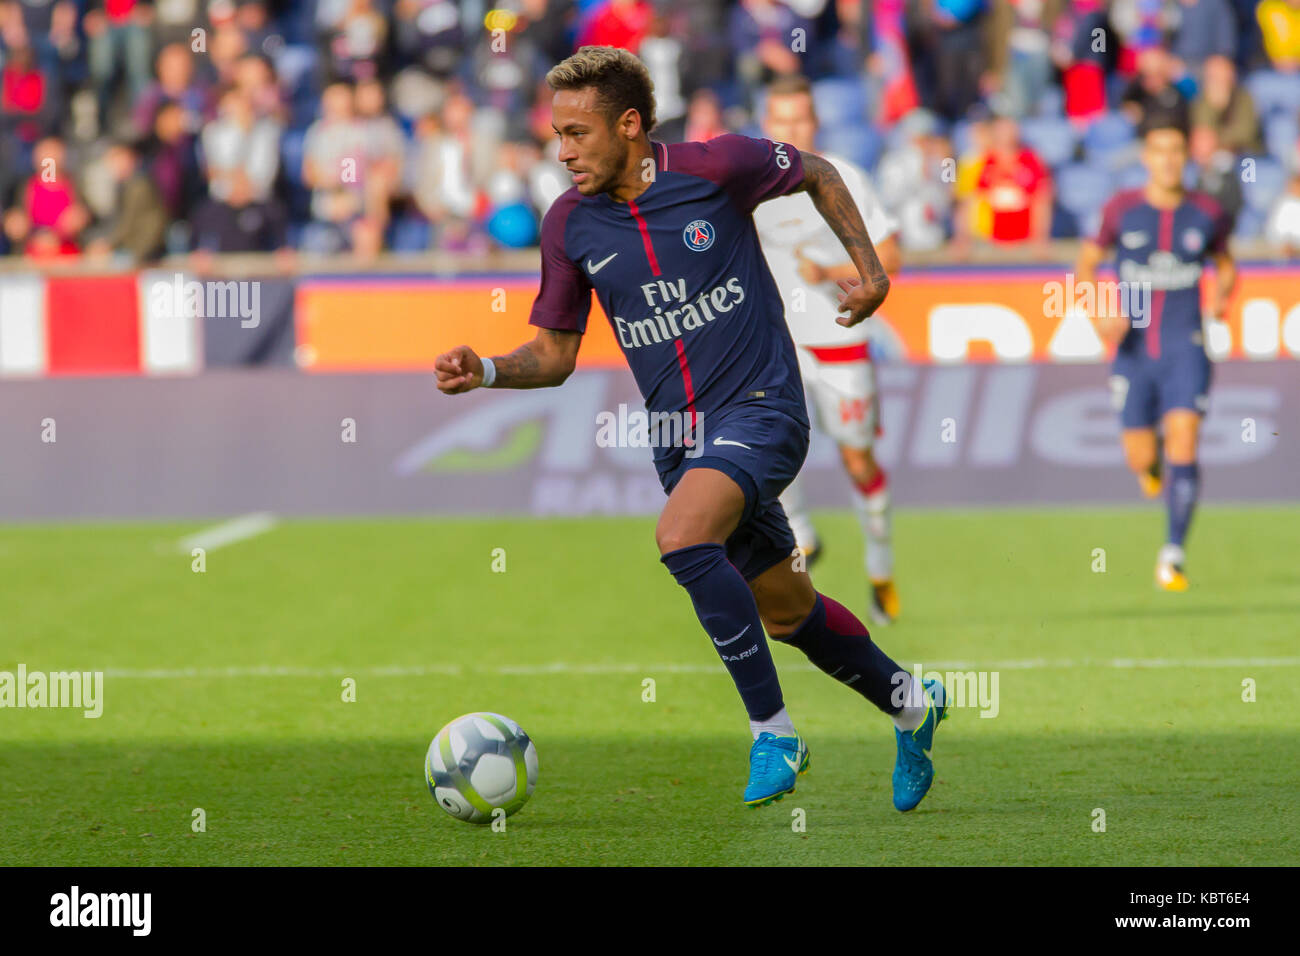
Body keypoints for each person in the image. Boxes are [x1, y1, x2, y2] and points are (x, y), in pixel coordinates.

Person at [435, 46, 948, 812]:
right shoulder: (569, 225)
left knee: (681, 537)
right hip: (680, 441)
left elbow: (817, 171)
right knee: (788, 611)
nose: (563, 149)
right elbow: (554, 353)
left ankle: (775, 733)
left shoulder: (717, 167)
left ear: (631, 124)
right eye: (557, 134)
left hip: (765, 408)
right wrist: (485, 370)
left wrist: (871, 272)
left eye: (578, 132)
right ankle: (911, 701)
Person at [753, 74, 903, 625]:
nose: (791, 130)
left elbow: (889, 257)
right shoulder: (749, 184)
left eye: (800, 119)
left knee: (857, 459)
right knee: (769, 449)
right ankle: (804, 539)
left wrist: (831, 271)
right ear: (767, 124)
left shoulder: (844, 177)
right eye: (781, 119)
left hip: (840, 337)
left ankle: (881, 567)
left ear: (814, 123)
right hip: (778, 346)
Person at [1074, 107, 1236, 591]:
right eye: (1160, 151)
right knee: (1139, 457)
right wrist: (1100, 311)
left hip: (1187, 347)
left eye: (1176, 151)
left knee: (1185, 437)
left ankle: (1173, 554)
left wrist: (1222, 297)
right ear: (1146, 156)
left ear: (1187, 156)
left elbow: (1226, 265)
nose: (1168, 161)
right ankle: (1151, 464)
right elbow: (1085, 266)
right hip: (1134, 350)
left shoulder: (1207, 213)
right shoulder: (1121, 210)